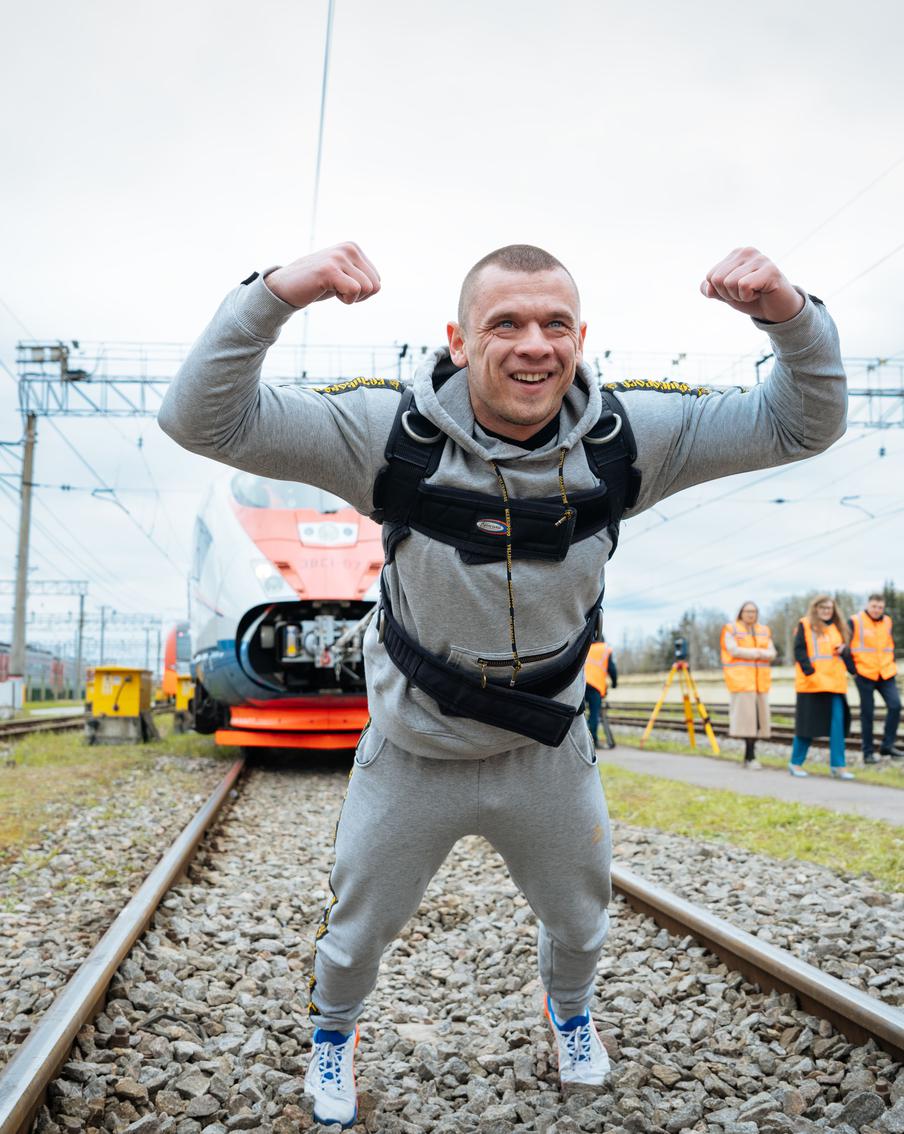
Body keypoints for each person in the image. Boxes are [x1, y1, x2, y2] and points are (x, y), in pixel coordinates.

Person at [158, 241, 846, 1128]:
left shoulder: (628, 437)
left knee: (582, 918)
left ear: (581, 339)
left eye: (556, 324)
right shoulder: (384, 434)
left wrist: (788, 312)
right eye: (506, 323)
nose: (534, 345)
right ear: (457, 340)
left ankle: (571, 1015)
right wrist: (277, 294)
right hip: (414, 751)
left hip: (545, 749)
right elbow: (200, 420)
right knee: (357, 930)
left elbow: (802, 424)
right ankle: (334, 1034)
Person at [790, 595, 856, 780]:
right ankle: (795, 763)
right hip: (812, 685)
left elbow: (846, 654)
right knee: (807, 727)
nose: (827, 611)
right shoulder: (805, 624)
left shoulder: (839, 627)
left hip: (835, 685)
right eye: (823, 607)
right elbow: (799, 650)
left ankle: (838, 766)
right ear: (816, 608)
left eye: (829, 608)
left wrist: (845, 654)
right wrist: (810, 672)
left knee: (837, 727)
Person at [720, 601, 776, 769]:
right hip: (742, 682)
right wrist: (758, 653)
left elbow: (772, 653)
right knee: (747, 722)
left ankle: (749, 756)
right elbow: (734, 650)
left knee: (758, 722)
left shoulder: (763, 630)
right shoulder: (731, 629)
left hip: (760, 683)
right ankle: (750, 756)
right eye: (748, 611)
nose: (751, 614)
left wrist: (754, 653)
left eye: (754, 611)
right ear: (741, 612)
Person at [848, 594, 903, 763]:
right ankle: (868, 753)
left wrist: (892, 664)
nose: (877, 610)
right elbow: (845, 647)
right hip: (864, 673)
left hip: (886, 673)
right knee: (868, 713)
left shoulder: (887, 621)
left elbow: (888, 645)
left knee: (895, 706)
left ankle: (887, 746)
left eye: (880, 607)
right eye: (874, 606)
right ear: (867, 605)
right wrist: (853, 671)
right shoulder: (855, 621)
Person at [584, 636, 618, 749]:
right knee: (594, 714)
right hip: (595, 686)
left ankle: (582, 740)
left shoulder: (585, 646)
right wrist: (614, 683)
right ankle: (593, 741)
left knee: (580, 713)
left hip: (581, 684)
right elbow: (612, 669)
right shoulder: (605, 649)